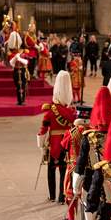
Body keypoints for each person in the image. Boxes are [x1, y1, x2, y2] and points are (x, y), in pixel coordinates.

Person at [73, 86, 111, 220]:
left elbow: (81, 164)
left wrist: (75, 186)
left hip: (91, 179)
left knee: (88, 212)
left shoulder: (88, 136)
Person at [37, 71, 75, 203]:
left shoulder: (50, 110)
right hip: (67, 144)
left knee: (51, 170)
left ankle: (52, 196)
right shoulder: (72, 112)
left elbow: (43, 129)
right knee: (65, 170)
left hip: (54, 143)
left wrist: (41, 145)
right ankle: (62, 196)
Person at [61, 104, 92, 220]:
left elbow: (64, 145)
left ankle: (71, 219)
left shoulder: (70, 132)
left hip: (73, 166)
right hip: (89, 166)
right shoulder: (92, 132)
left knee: (70, 193)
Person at [7, 32, 30, 106]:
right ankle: (19, 100)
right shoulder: (13, 54)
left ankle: (22, 100)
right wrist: (15, 57)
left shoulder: (24, 52)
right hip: (16, 70)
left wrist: (19, 58)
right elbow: (11, 63)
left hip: (23, 70)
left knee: (23, 85)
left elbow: (26, 62)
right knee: (18, 86)